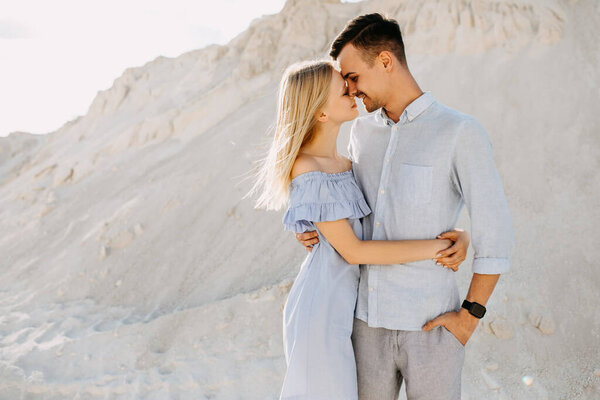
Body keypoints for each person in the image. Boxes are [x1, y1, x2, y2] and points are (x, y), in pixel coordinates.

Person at [293, 14, 516, 400]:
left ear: (385, 61)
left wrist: (469, 318)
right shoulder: (361, 133)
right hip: (363, 327)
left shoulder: (460, 132)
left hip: (432, 329)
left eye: (353, 77)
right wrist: (310, 227)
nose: (350, 90)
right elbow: (349, 209)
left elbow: (497, 235)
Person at [246, 59, 471, 400]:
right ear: (320, 113)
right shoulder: (306, 167)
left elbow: (380, 220)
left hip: (349, 308)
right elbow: (355, 250)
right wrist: (439, 247)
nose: (353, 91)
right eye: (342, 89)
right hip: (320, 308)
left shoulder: (347, 164)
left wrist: (460, 234)